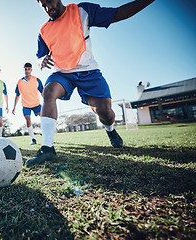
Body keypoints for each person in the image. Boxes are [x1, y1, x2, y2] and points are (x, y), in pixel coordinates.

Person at [26, 0, 155, 167]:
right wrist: (42, 60)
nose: (47, 8)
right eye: (43, 5)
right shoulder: (43, 31)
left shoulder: (81, 11)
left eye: (49, 1)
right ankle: (47, 149)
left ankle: (110, 130)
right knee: (49, 91)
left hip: (89, 71)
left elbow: (117, 13)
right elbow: (39, 57)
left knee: (105, 112)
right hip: (63, 73)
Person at [12, 62, 44, 145]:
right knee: (28, 119)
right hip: (26, 105)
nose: (27, 71)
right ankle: (33, 139)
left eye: (29, 69)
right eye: (25, 69)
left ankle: (42, 131)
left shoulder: (37, 80)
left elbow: (42, 92)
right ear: (24, 70)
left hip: (36, 104)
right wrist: (14, 107)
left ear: (31, 70)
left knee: (44, 116)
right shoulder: (20, 82)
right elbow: (17, 95)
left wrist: (47, 102)